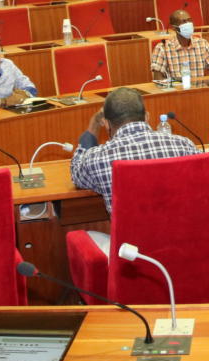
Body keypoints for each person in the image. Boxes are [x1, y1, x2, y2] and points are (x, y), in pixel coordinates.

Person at [70, 87, 199, 250]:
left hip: (132, 255)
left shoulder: (97, 158)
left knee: (87, 236)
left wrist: (94, 126)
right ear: (147, 117)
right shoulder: (184, 145)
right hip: (183, 247)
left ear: (107, 124)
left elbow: (76, 173)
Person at [150, 9, 209, 80]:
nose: (188, 24)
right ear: (174, 28)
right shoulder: (162, 48)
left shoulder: (202, 44)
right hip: (176, 87)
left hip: (199, 86)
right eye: (183, 21)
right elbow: (157, 78)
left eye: (189, 20)